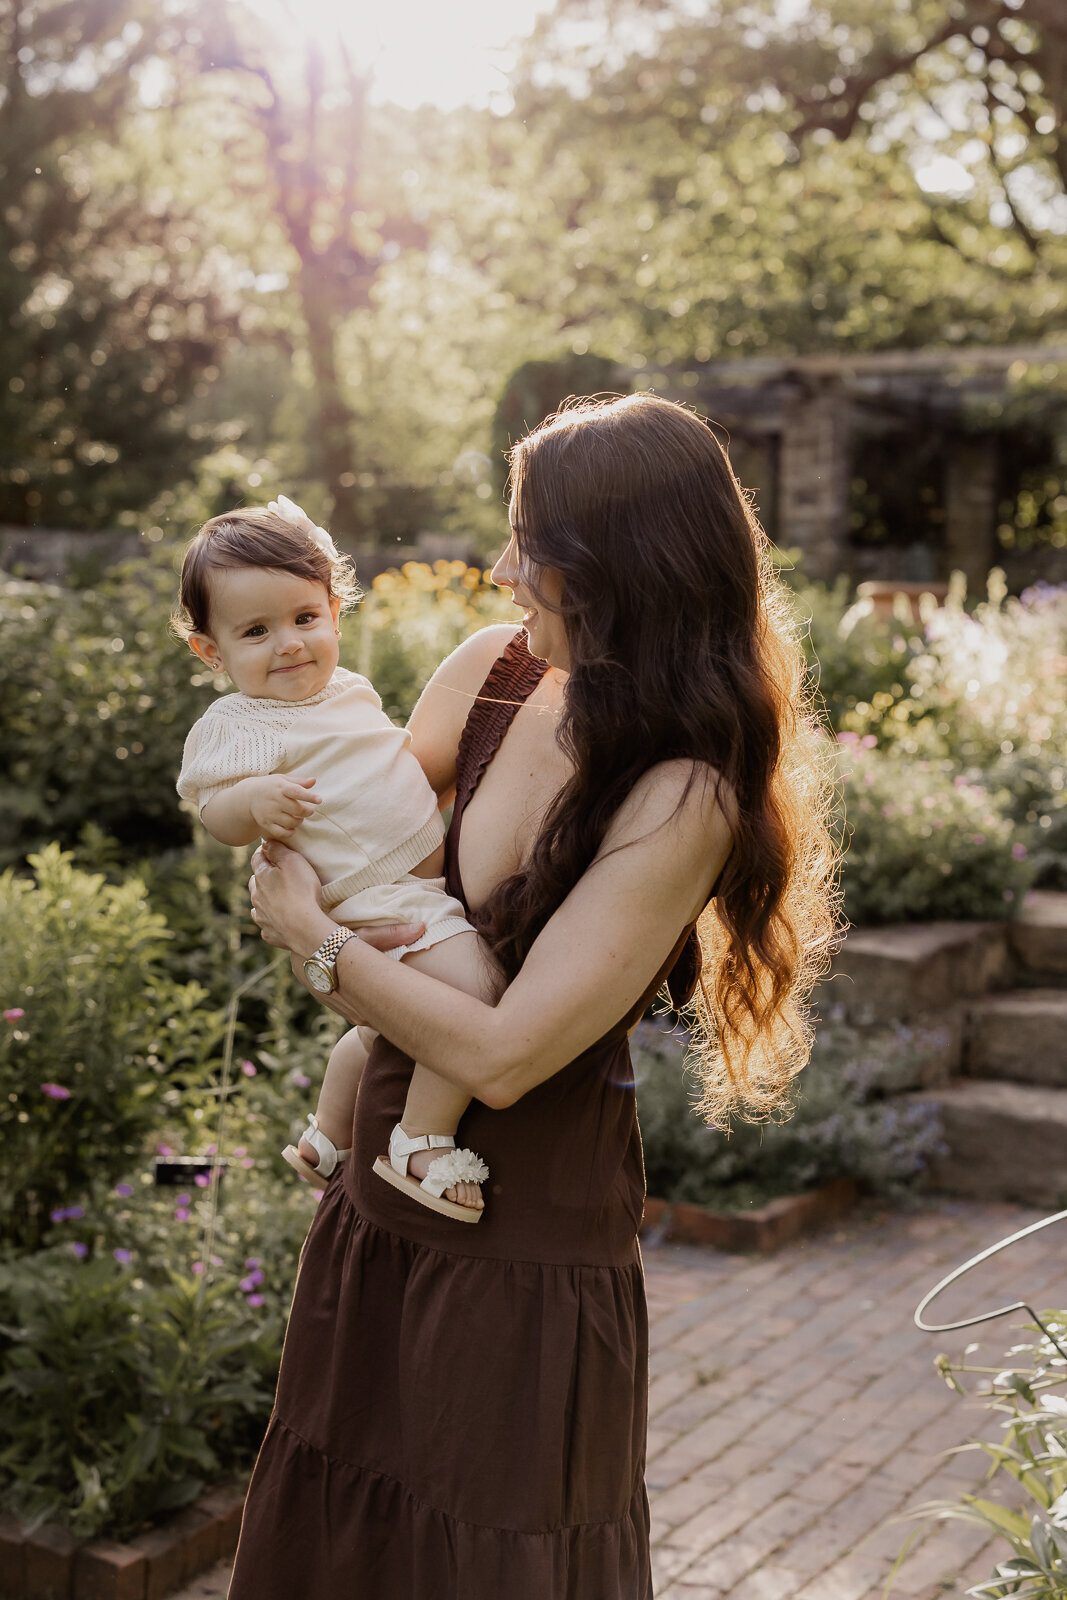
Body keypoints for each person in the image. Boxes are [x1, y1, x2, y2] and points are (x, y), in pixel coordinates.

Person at [230, 393, 838, 1599]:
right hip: (379, 1195)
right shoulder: (491, 671)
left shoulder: (684, 791)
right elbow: (353, 840)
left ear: (619, 568)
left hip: (521, 1244)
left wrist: (313, 946)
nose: (504, 568)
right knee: (345, 1528)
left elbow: (506, 1055)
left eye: (532, 545)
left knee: (485, 1555)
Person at [174, 497, 498, 1219]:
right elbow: (212, 812)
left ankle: (326, 1136)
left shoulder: (347, 689)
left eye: (304, 619)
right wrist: (253, 800)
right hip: (376, 896)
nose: (289, 644)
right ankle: (420, 1140)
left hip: (410, 886)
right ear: (211, 652)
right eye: (255, 631)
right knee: (476, 992)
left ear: (334, 612)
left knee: (392, 1026)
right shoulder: (242, 723)